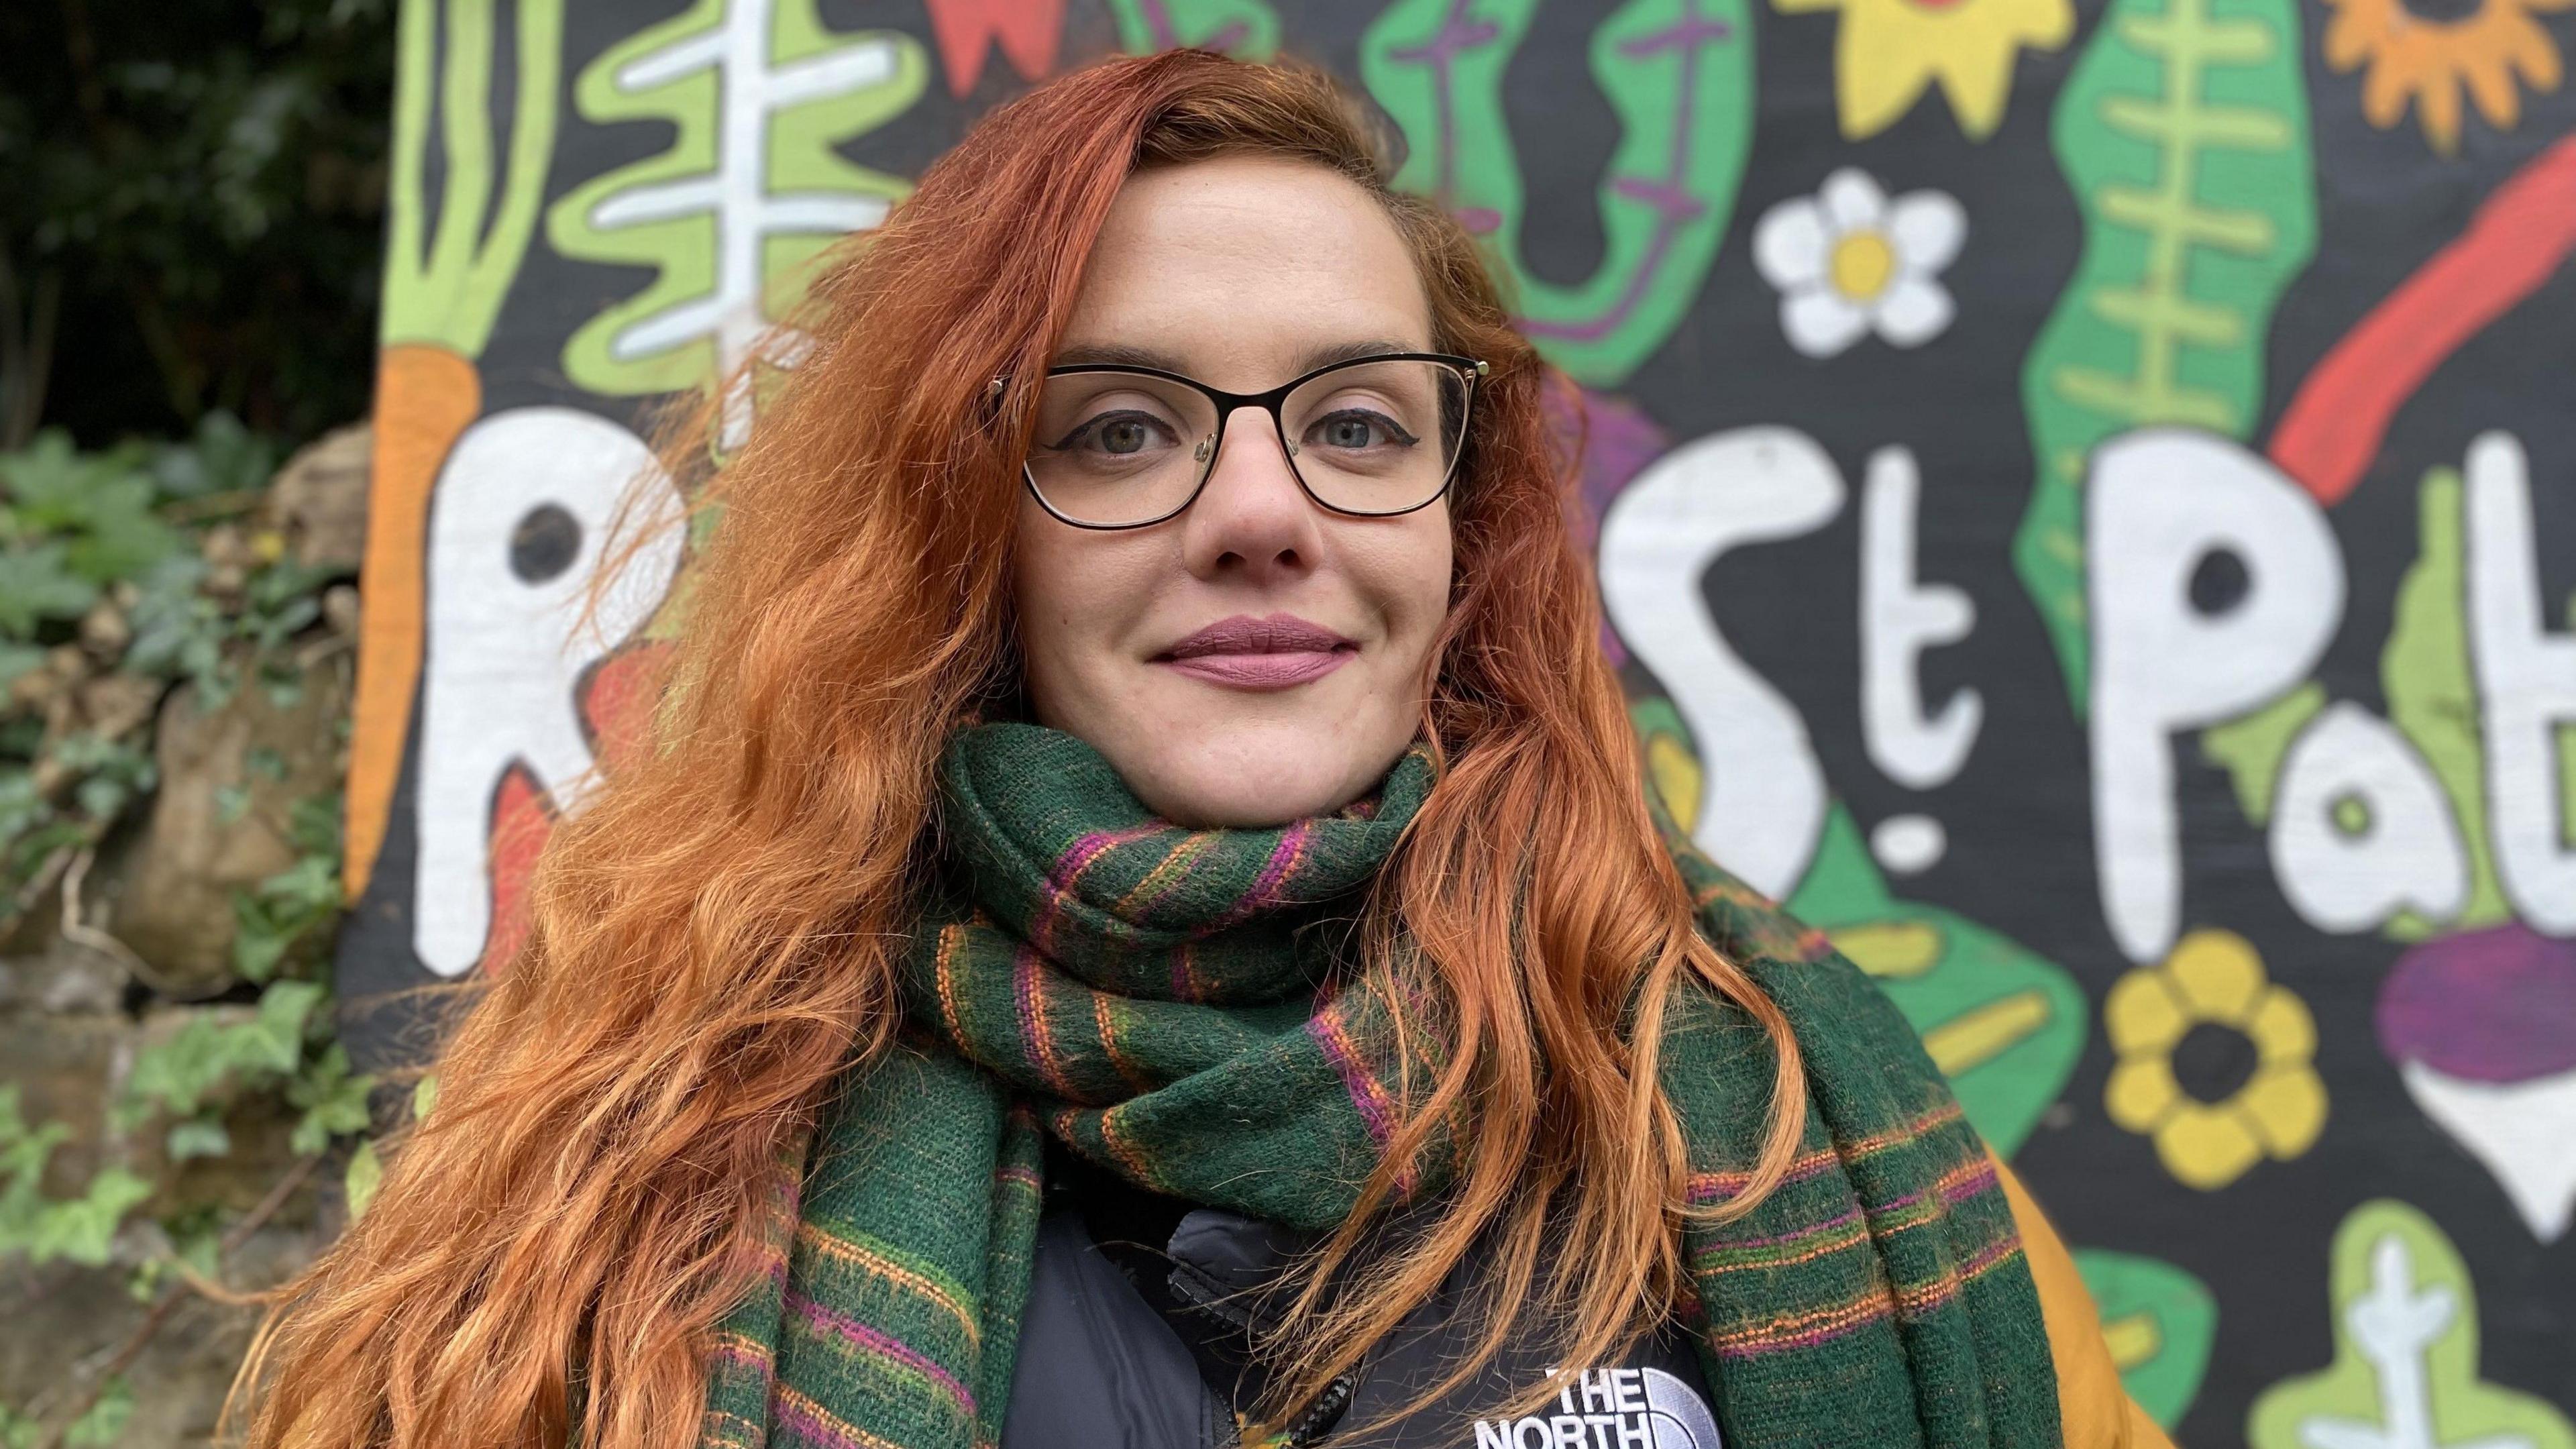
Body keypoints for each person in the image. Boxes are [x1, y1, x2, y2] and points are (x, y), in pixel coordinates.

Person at [231, 49, 2174, 1449]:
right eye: (1121, 429)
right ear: (960, 528)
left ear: (1459, 518)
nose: (1262, 511)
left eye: (1353, 424)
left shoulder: (1766, 1107)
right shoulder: (646, 1141)